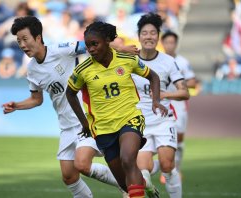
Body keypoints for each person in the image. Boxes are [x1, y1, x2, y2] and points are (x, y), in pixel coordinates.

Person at [1, 16, 138, 198]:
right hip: (66, 126)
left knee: (82, 164)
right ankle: (125, 184)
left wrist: (121, 48)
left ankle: (127, 184)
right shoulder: (32, 69)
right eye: (19, 41)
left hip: (86, 119)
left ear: (38, 37)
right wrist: (16, 105)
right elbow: (36, 99)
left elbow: (94, 44)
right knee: (69, 176)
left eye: (25, 39)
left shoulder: (61, 50)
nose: (22, 45)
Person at [66, 21, 167, 198]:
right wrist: (84, 123)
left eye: (94, 44)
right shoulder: (83, 70)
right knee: (125, 184)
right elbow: (70, 94)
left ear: (107, 41)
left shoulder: (127, 60)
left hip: (130, 118)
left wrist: (156, 101)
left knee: (128, 160)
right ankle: (146, 184)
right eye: (88, 45)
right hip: (103, 128)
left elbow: (153, 77)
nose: (90, 49)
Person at [133, 13, 189, 198]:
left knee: (167, 165)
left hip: (164, 121)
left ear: (158, 36)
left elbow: (184, 92)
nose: (149, 36)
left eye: (153, 33)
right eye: (144, 33)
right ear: (139, 36)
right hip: (140, 124)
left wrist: (165, 94)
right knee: (144, 171)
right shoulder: (129, 61)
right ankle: (150, 189)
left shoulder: (168, 62)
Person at [159, 30, 197, 181]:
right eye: (167, 42)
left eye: (172, 42)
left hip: (178, 102)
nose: (170, 45)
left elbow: (193, 81)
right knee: (161, 136)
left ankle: (176, 168)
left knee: (179, 137)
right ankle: (166, 169)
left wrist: (178, 84)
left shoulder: (182, 61)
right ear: (163, 43)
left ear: (176, 44)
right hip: (162, 102)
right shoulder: (158, 60)